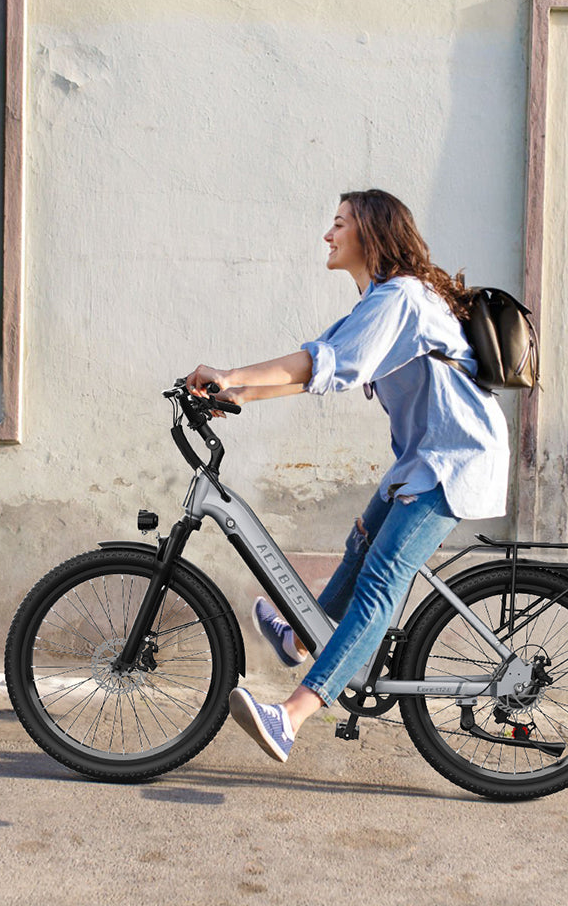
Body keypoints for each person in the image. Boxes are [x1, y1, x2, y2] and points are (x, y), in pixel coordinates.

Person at [186, 189, 509, 763]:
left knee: (383, 579)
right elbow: (320, 362)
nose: (328, 236)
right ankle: (299, 636)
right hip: (423, 457)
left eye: (339, 225)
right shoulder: (379, 300)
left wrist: (231, 372)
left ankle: (291, 716)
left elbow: (327, 365)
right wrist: (235, 394)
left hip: (456, 457)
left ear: (371, 234)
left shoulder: (403, 298)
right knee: (360, 542)